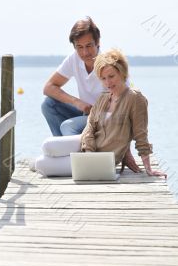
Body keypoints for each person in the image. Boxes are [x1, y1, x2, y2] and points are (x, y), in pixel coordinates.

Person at [35, 49, 167, 178]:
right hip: (87, 148)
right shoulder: (103, 97)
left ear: (122, 73)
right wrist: (88, 152)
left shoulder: (135, 99)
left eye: (111, 76)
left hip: (104, 159)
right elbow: (90, 127)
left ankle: (44, 164)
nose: (108, 82)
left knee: (41, 164)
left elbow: (141, 134)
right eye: (103, 78)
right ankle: (51, 162)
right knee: (47, 145)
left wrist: (148, 168)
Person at [41, 16, 140, 173]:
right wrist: (77, 102)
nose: (85, 52)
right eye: (79, 47)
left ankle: (74, 158)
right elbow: (48, 87)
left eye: (89, 46)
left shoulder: (110, 63)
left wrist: (125, 152)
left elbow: (126, 110)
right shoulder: (73, 59)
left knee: (68, 125)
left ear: (98, 42)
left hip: (106, 121)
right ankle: (68, 154)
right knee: (48, 104)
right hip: (85, 113)